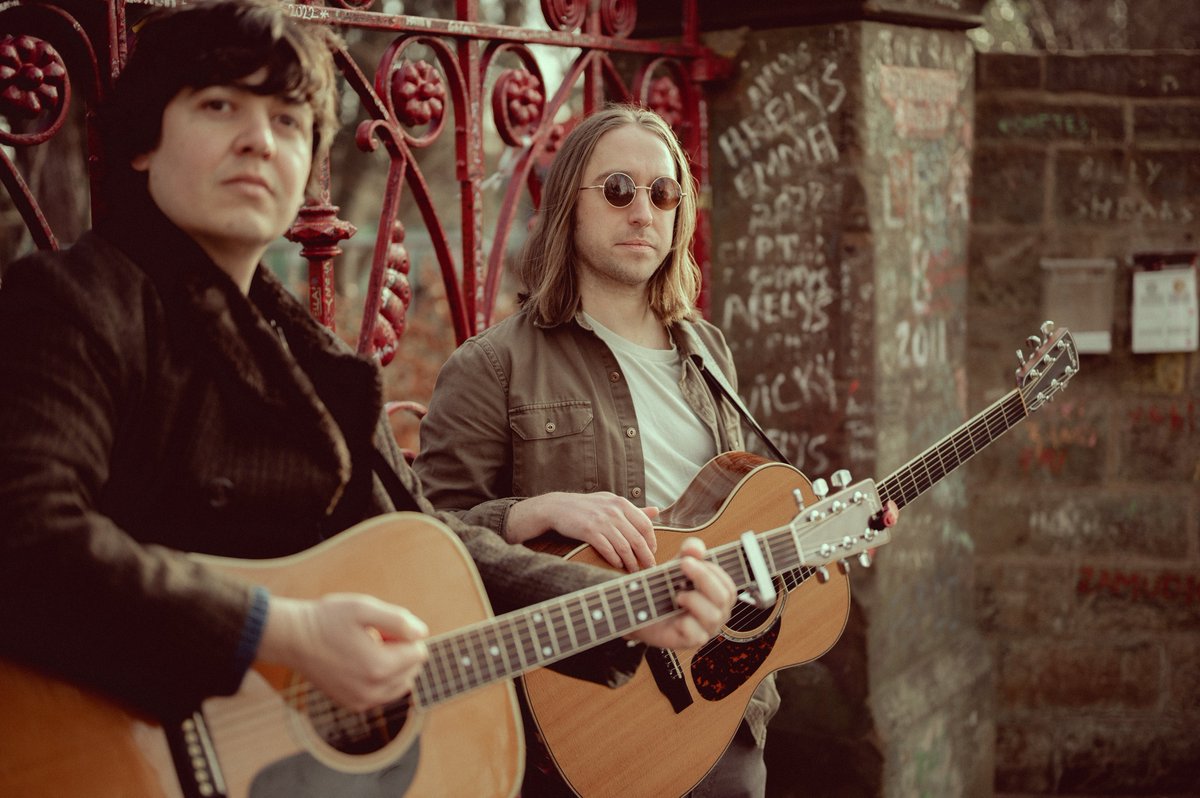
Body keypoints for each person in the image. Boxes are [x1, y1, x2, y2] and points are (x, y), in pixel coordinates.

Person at [0, 3, 736, 792]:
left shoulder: (318, 365)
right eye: (220, 106)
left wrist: (625, 607)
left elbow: (435, 544)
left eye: (288, 120)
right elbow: (26, 530)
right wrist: (280, 632)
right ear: (143, 141)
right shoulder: (72, 301)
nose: (260, 139)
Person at [414, 104, 781, 797]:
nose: (643, 211)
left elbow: (735, 526)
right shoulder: (491, 365)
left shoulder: (708, 353)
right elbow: (422, 536)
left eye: (663, 192)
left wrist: (829, 536)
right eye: (618, 189)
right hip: (579, 729)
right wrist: (532, 512)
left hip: (722, 712)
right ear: (567, 209)